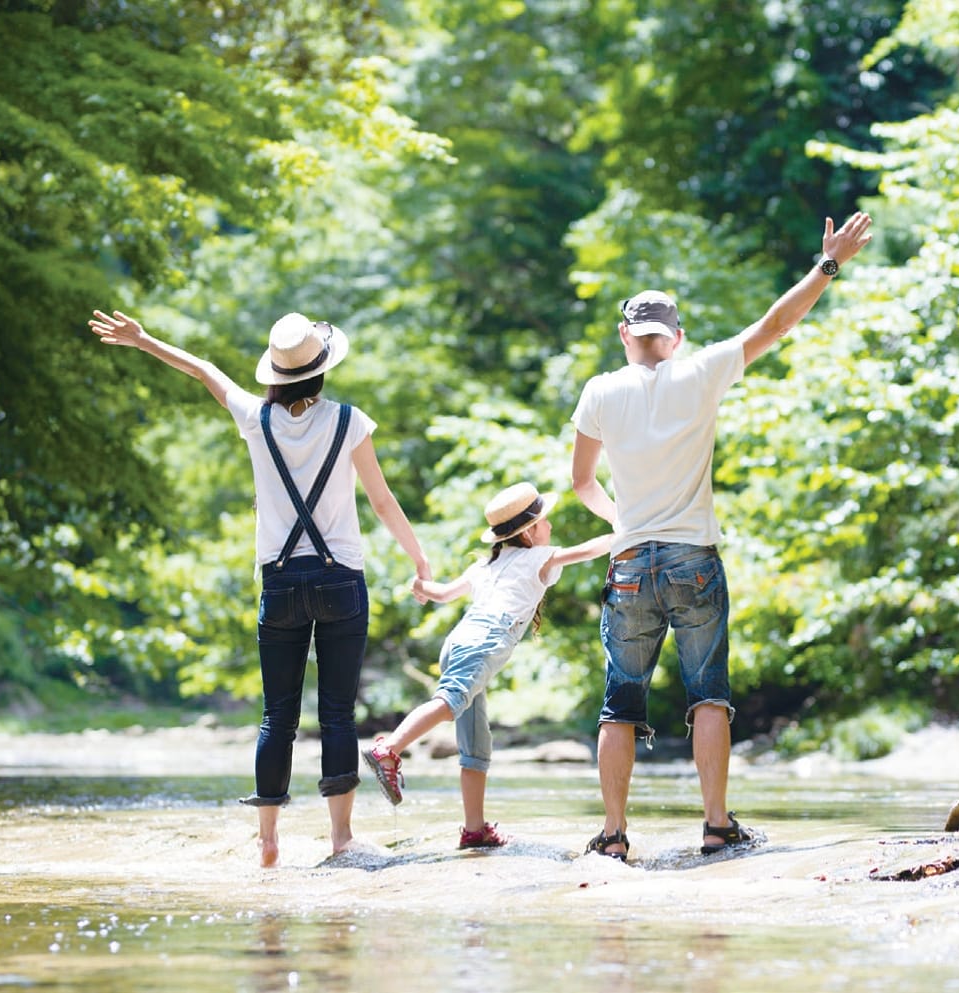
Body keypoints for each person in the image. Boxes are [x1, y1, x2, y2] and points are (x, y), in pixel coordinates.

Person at [570, 211, 874, 860]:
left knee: (619, 701)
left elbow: (580, 483)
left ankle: (615, 833)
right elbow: (777, 324)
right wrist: (828, 264)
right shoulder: (703, 369)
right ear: (675, 337)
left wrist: (619, 522)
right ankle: (715, 825)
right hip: (693, 559)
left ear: (627, 335)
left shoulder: (599, 391)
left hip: (628, 562)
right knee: (708, 692)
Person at [87, 309, 432, 867]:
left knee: (278, 716)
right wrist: (420, 561)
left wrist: (143, 340)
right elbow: (382, 501)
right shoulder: (349, 421)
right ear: (321, 370)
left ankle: (268, 840)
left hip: (279, 582)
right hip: (340, 576)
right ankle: (341, 839)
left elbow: (204, 370)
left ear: (273, 374)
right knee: (339, 713)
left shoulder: (256, 417)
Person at [361, 482, 612, 849]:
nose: (551, 528)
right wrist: (624, 532)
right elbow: (587, 550)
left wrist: (421, 586)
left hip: (460, 639)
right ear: (529, 532)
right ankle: (390, 748)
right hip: (485, 642)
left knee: (475, 746)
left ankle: (474, 829)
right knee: (450, 702)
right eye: (545, 522)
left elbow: (443, 593)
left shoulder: (486, 564)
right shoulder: (537, 557)